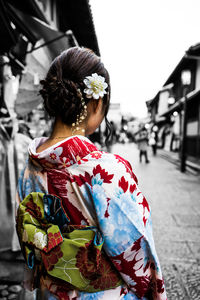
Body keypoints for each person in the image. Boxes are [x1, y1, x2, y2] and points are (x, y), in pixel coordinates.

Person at [16, 47, 167, 300]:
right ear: (97, 102)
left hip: (51, 292)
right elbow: (135, 256)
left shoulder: (30, 166)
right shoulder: (106, 171)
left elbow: (31, 238)